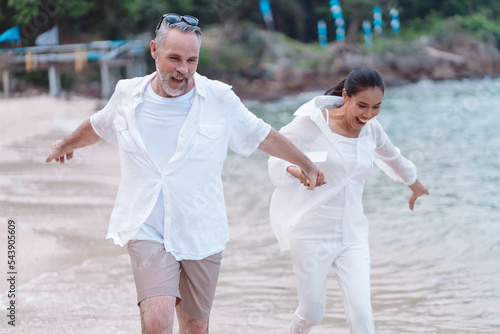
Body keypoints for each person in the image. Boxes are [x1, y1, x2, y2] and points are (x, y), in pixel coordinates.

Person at [45, 14, 325, 334]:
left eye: (192, 60)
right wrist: (66, 143)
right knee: (157, 320)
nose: (184, 69)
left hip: (201, 230)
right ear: (154, 50)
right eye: (174, 58)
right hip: (146, 224)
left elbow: (262, 135)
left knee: (195, 326)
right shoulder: (128, 94)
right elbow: (98, 125)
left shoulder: (219, 98)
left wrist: (308, 164)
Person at [268, 67, 429, 334]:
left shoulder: (371, 129)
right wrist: (297, 171)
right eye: (362, 106)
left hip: (352, 236)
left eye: (376, 107)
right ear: (346, 96)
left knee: (363, 318)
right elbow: (275, 156)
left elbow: (392, 158)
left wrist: (415, 185)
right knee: (311, 314)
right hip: (311, 235)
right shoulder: (312, 123)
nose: (368, 115)